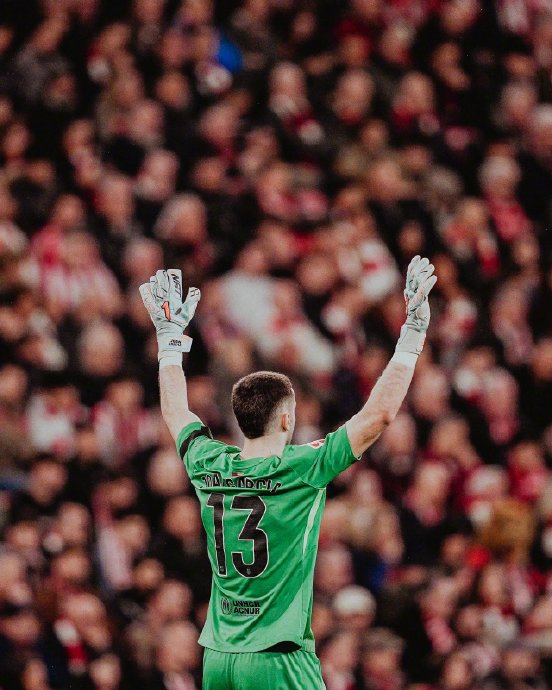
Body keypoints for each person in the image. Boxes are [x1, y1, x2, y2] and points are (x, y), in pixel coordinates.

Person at [139, 256, 437, 690]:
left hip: (218, 656)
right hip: (277, 657)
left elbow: (175, 412)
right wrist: (412, 334)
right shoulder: (302, 468)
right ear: (286, 419)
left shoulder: (208, 462)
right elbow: (380, 416)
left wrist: (169, 345)